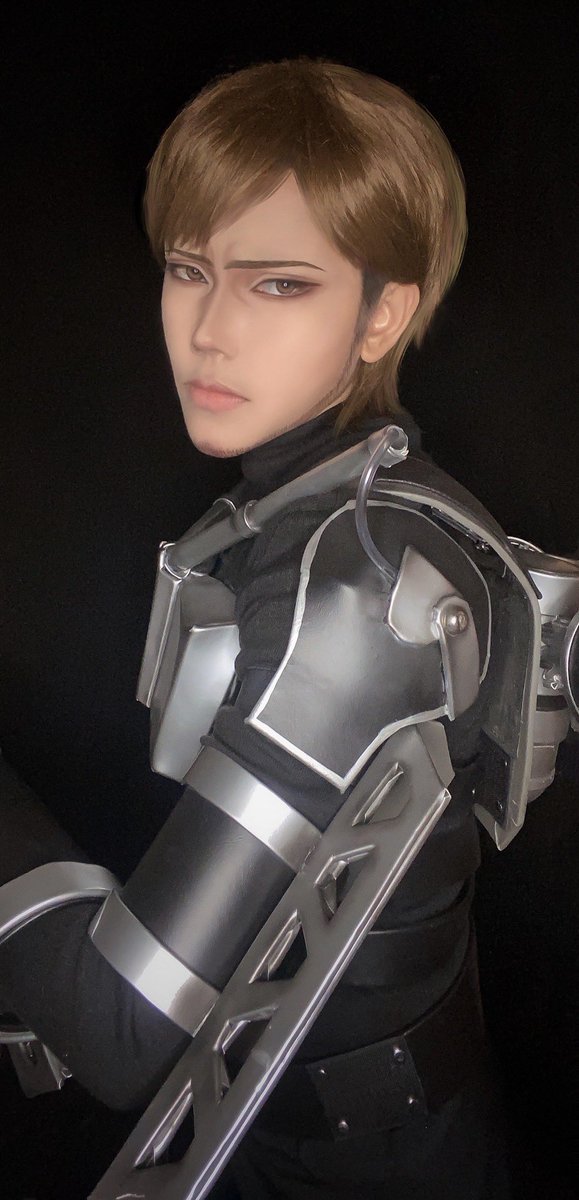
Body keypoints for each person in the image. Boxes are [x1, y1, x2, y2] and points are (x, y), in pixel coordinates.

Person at [3, 54, 575, 1200]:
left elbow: (119, 1029)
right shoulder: (318, 508)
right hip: (282, 1124)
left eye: (278, 284)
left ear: (383, 314)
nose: (209, 330)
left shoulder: (358, 577)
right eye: (188, 270)